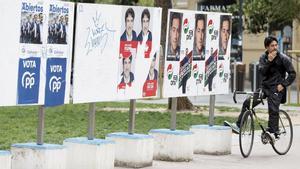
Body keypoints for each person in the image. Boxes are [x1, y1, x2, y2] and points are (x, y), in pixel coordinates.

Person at [225, 36, 296, 140]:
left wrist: (283, 84)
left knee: (272, 109)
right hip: (265, 88)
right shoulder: (263, 58)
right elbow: (262, 72)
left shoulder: (283, 58)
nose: (275, 47)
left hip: (277, 88)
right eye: (272, 45)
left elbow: (292, 74)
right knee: (248, 103)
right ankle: (239, 125)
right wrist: (269, 61)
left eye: (276, 45)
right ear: (267, 47)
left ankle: (273, 132)